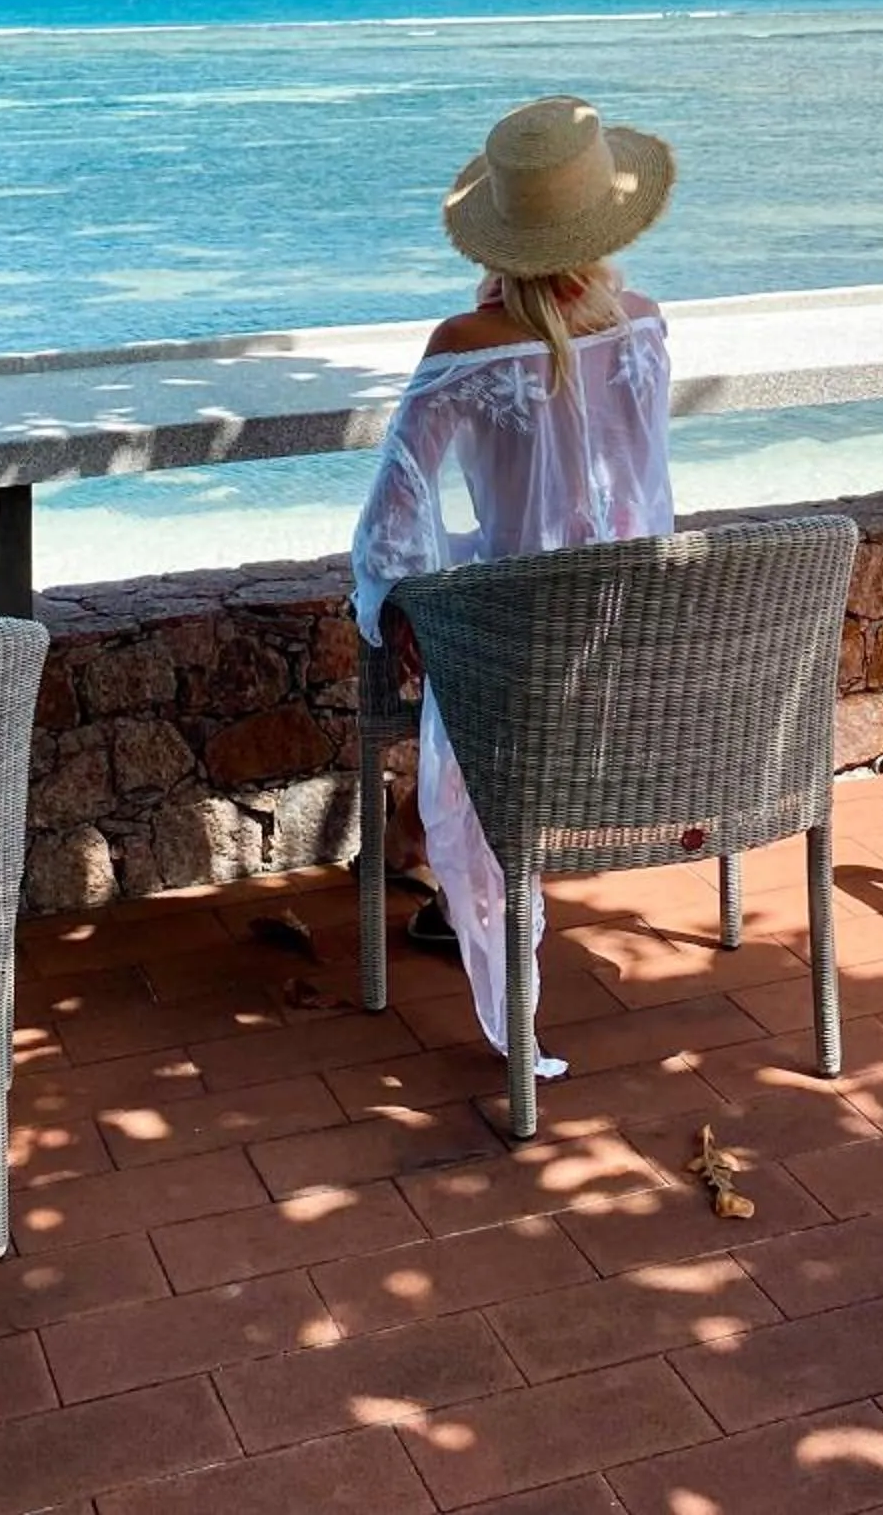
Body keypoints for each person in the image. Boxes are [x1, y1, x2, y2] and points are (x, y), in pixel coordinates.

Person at [351, 93, 678, 1071]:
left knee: (420, 630)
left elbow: (389, 527)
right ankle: (427, 840)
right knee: (485, 637)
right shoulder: (650, 326)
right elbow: (635, 484)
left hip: (517, 652)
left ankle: (418, 839)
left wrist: (402, 603)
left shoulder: (463, 347)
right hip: (636, 632)